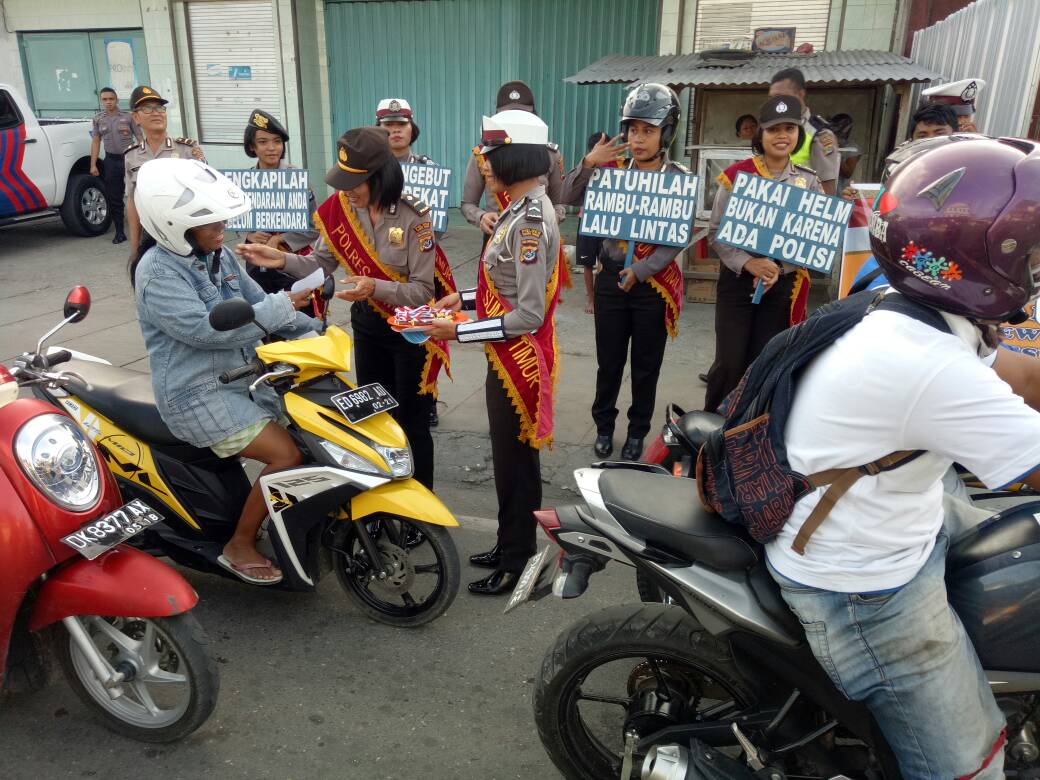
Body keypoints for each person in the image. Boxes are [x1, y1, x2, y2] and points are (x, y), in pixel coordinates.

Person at [766, 135, 1040, 778]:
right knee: (970, 771)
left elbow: (1023, 379)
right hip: (864, 584)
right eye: (1026, 251)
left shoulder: (910, 309)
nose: (1034, 264)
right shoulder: (927, 364)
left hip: (897, 516)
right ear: (976, 257)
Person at [130, 158, 318, 584]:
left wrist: (319, 332)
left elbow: (258, 303)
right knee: (286, 456)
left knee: (313, 439)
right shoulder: (157, 272)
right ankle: (240, 543)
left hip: (245, 379)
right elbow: (206, 332)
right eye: (210, 222)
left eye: (221, 219)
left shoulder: (220, 256)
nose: (222, 228)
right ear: (172, 226)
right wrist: (283, 304)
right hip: (198, 393)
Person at [236, 127, 453, 491]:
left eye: (356, 182)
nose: (347, 190)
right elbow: (320, 264)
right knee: (372, 416)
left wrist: (375, 286)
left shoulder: (413, 216)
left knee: (411, 422)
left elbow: (421, 291)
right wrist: (280, 260)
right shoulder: (340, 209)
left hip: (409, 332)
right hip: (368, 325)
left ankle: (419, 503)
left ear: (379, 175)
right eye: (344, 181)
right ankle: (383, 493)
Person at [427, 110, 561, 596]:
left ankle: (519, 557)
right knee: (507, 459)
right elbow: (499, 284)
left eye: (491, 155)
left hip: (519, 356)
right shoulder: (517, 207)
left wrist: (458, 332)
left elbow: (528, 313)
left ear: (516, 156)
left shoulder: (528, 220)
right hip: (504, 354)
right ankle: (508, 542)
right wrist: (460, 300)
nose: (485, 165)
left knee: (516, 462)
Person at [561, 83, 690, 461]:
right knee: (610, 362)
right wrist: (588, 162)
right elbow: (565, 196)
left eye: (647, 131)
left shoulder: (678, 178)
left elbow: (676, 237)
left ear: (666, 132)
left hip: (652, 283)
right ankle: (604, 427)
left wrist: (643, 269)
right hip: (610, 280)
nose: (638, 139)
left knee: (646, 366)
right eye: (633, 130)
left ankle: (638, 432)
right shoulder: (607, 172)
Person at [704, 96, 822, 413]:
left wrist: (778, 267)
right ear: (761, 134)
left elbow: (813, 239)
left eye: (789, 128)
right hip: (738, 283)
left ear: (798, 134)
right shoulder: (737, 176)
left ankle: (750, 431)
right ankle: (710, 430)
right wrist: (749, 262)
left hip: (781, 287)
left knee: (765, 360)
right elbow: (715, 232)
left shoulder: (809, 182)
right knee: (729, 361)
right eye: (774, 129)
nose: (782, 135)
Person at [375, 96, 455, 426]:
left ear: (412, 128)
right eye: (388, 125)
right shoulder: (372, 174)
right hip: (383, 269)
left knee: (424, 335)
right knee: (384, 339)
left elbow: (438, 225)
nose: (395, 131)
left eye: (401, 124)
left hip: (421, 267)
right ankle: (388, 397)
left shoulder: (428, 170)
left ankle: (428, 396)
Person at [461, 80, 566, 248]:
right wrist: (481, 217)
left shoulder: (549, 154)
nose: (515, 121)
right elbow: (467, 203)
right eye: (508, 116)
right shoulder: (482, 155)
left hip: (537, 235)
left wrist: (550, 218)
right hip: (495, 235)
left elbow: (559, 202)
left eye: (523, 115)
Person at [239, 109, 321, 307]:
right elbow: (232, 218)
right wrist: (248, 235)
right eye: (263, 142)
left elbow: (315, 227)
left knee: (300, 320)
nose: (271, 148)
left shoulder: (297, 181)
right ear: (252, 146)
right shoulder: (243, 182)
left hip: (293, 264)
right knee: (264, 319)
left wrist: (280, 238)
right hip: (256, 265)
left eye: (277, 141)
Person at [124, 85, 205, 252]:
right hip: (150, 236)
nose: (156, 112)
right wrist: (134, 249)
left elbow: (204, 194)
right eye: (148, 108)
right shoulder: (131, 156)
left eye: (160, 107)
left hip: (185, 232)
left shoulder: (187, 149)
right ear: (136, 117)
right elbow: (132, 201)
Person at [768, 68, 839, 195]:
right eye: (772, 97)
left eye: (780, 96)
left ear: (800, 94)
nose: (775, 102)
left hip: (800, 208)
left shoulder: (819, 135)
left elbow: (827, 189)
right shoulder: (769, 129)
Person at [89, 87, 140, 244]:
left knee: (138, 194)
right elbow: (96, 141)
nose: (108, 102)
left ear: (116, 100)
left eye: (111, 99)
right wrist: (93, 164)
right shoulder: (98, 119)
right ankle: (119, 232)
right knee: (114, 197)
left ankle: (143, 231)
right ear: (101, 101)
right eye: (105, 99)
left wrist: (143, 159)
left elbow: (140, 138)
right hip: (111, 161)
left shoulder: (128, 117)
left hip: (129, 158)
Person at [575, 131, 607, 316]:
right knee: (587, 263)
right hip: (586, 220)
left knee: (605, 261)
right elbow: (569, 192)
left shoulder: (618, 171)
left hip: (607, 222)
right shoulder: (585, 169)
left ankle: (601, 296)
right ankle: (590, 297)